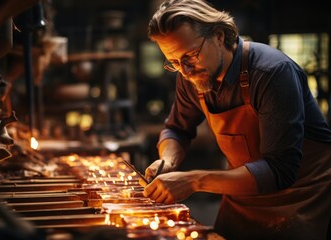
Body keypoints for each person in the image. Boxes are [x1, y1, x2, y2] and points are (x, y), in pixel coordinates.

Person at [141, 0, 331, 239]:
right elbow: (176, 130)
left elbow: (280, 170)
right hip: (242, 197)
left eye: (190, 56)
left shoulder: (272, 72)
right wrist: (167, 161)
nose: (186, 71)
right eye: (175, 63)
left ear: (219, 36)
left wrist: (194, 181)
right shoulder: (191, 77)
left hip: (302, 199)